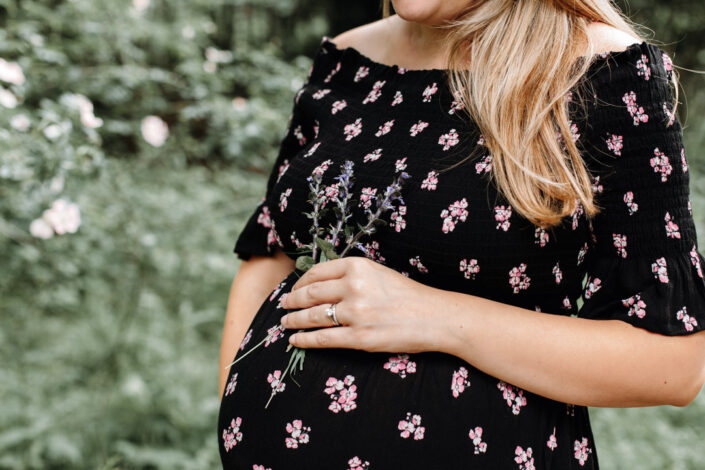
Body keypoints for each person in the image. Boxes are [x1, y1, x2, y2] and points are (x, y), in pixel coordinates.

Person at [218, 1, 705, 468]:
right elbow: (271, 253)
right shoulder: (346, 61)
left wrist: (440, 318)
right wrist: (237, 414)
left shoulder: (602, 73)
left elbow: (673, 364)